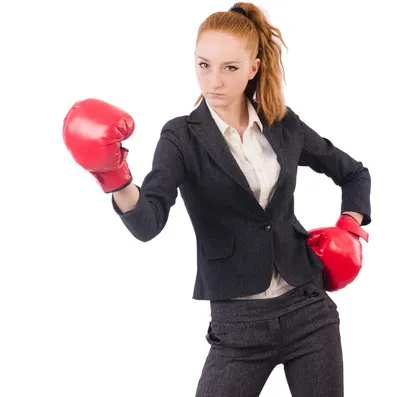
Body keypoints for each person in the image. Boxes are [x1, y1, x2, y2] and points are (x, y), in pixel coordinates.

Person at [62, 2, 371, 396]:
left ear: (253, 69)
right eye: (203, 65)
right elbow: (147, 223)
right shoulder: (181, 138)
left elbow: (353, 172)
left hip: (308, 309)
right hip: (238, 325)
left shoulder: (282, 123)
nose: (214, 81)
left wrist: (351, 225)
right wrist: (113, 176)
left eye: (230, 68)